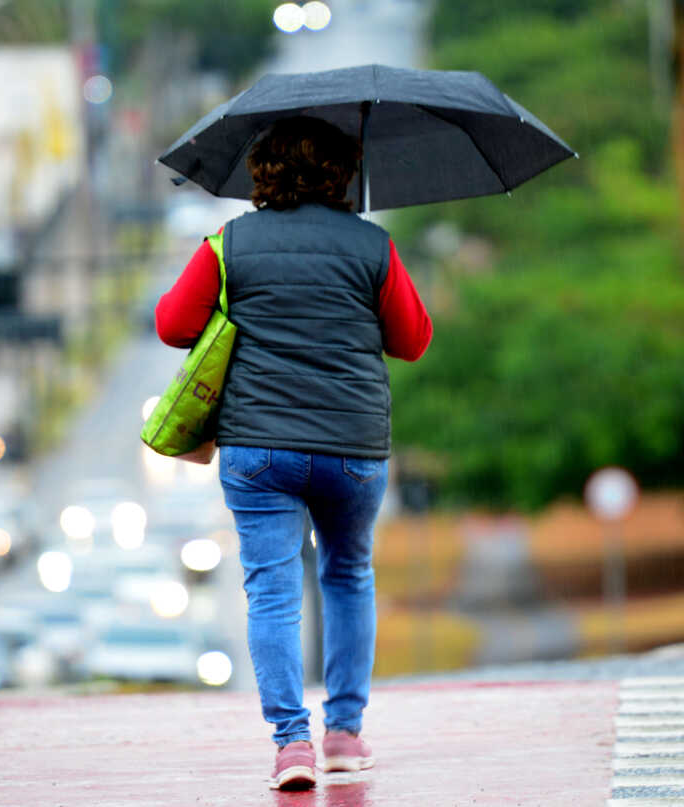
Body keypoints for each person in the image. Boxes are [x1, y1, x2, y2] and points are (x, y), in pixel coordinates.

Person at [154, 116, 433, 790]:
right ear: (344, 175)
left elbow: (171, 325)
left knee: (271, 591)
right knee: (347, 575)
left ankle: (291, 746)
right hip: (351, 448)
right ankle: (343, 733)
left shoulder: (229, 243)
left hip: (259, 449)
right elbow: (414, 339)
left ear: (263, 172)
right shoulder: (373, 246)